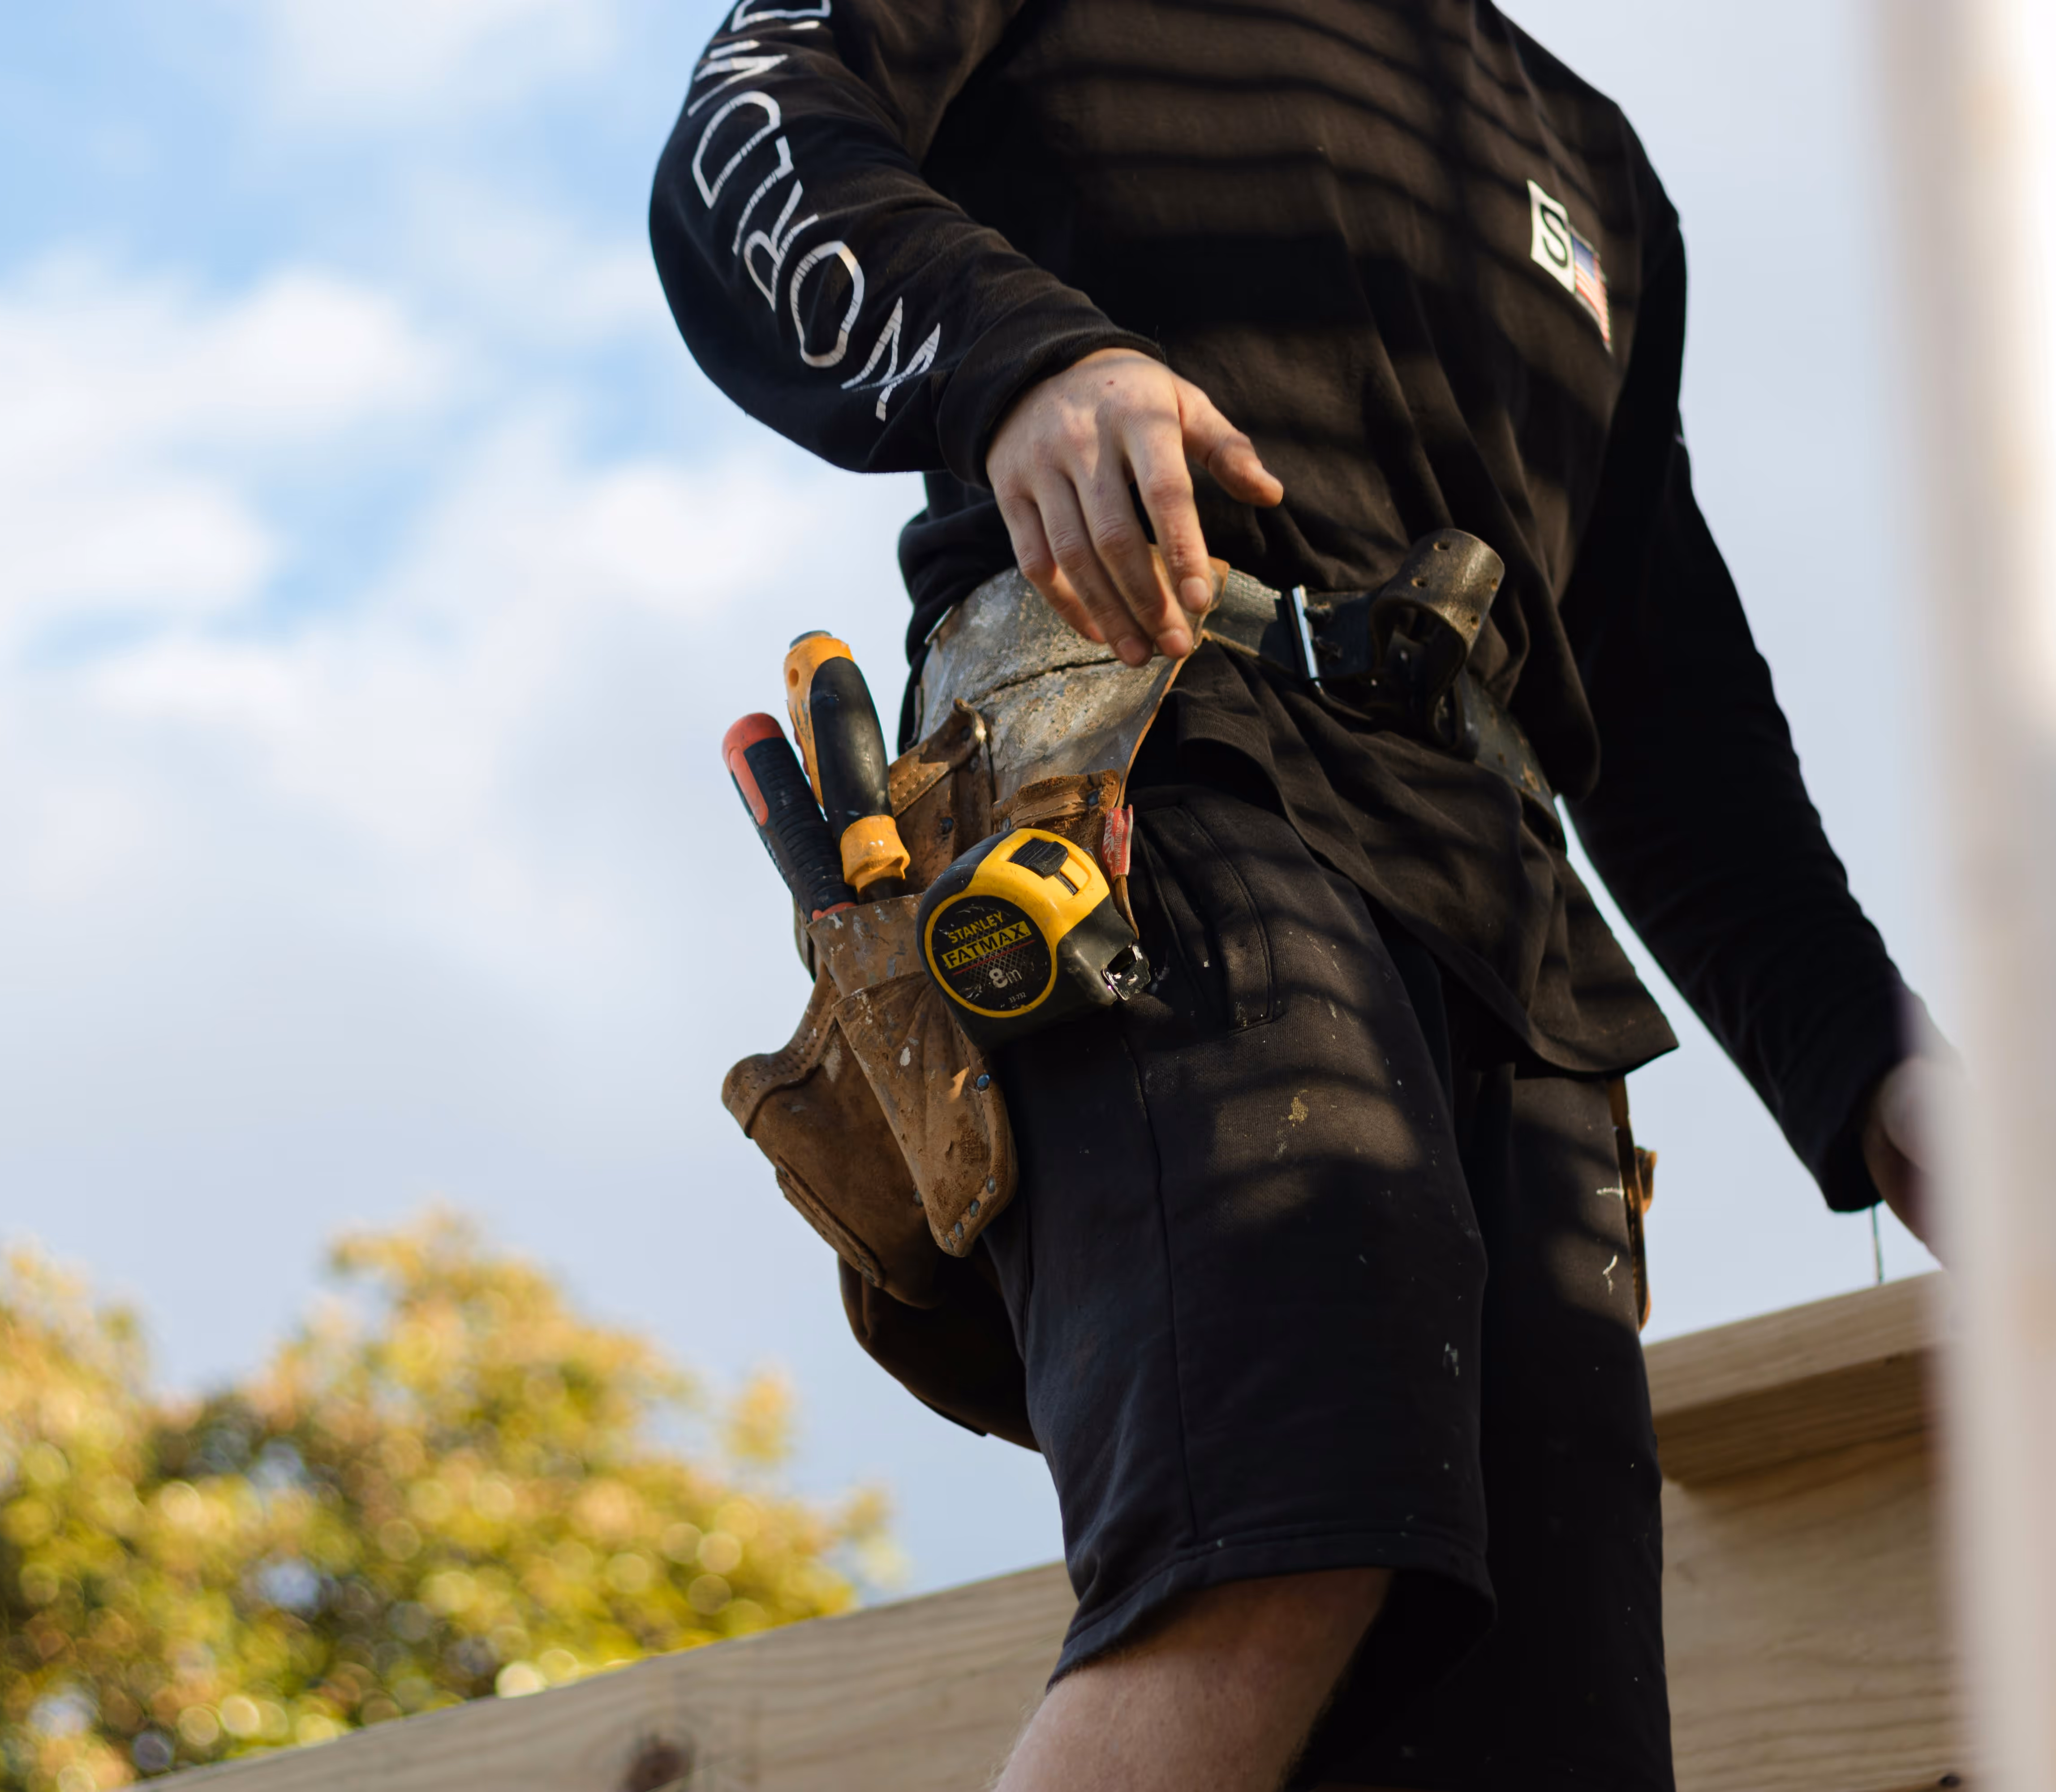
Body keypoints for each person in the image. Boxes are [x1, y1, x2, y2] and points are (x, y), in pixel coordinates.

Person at [651, 4, 1935, 1787]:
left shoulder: (1595, 168)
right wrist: (1023, 363)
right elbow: (748, 135)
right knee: (1281, 1537)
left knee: (1541, 1746)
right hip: (1151, 787)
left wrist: (1878, 1065)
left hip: (1513, 960)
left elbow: (1660, 708)